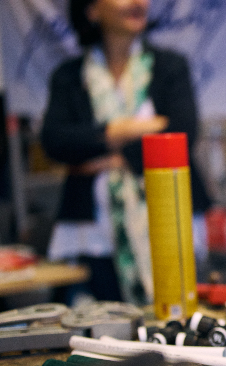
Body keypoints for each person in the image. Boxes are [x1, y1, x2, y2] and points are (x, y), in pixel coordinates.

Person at [41, 0, 211, 304]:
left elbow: (183, 133)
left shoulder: (169, 66)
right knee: (103, 317)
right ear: (92, 10)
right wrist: (126, 129)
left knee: (177, 311)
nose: (137, 2)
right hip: (94, 229)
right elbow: (56, 141)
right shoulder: (69, 75)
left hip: (169, 216)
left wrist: (112, 158)